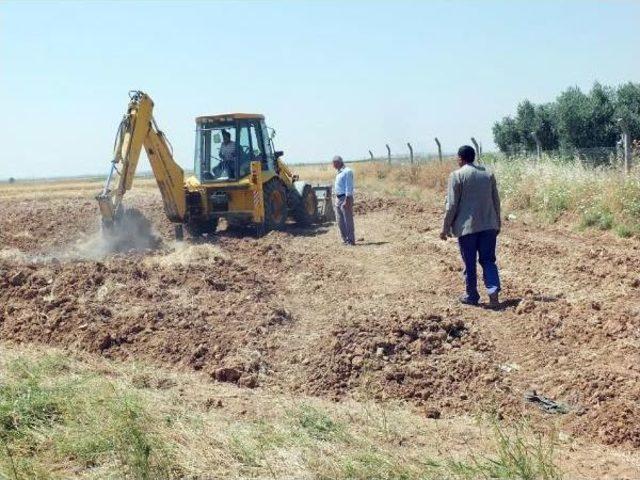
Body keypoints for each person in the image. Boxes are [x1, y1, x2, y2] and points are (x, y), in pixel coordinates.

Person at [440, 145, 502, 307]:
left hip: (467, 229)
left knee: (469, 262)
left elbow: (452, 205)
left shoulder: (457, 176)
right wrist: (497, 223)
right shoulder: (488, 174)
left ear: (460, 158)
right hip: (489, 226)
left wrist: (445, 228)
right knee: (488, 260)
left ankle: (472, 295)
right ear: (473, 157)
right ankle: (493, 294)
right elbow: (496, 201)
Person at [332, 155, 355, 245]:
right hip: (338, 198)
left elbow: (348, 187)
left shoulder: (347, 172)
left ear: (339, 162)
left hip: (345, 198)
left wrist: (347, 200)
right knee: (340, 221)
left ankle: (351, 240)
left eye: (334, 164)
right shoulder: (339, 172)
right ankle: (345, 239)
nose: (333, 166)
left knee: (348, 220)